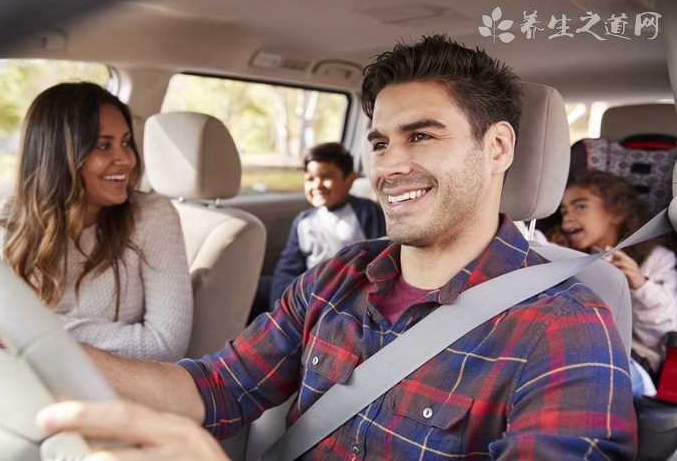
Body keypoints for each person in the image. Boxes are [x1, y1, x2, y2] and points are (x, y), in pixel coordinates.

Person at [37, 35, 636, 460]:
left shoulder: (565, 327)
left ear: (498, 148)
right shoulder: (338, 277)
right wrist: (38, 347)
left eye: (422, 136)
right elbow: (214, 388)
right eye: (378, 143)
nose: (391, 166)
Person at [0, 82, 193, 361]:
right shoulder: (4, 225)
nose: (126, 159)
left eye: (126, 142)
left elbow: (165, 345)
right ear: (57, 156)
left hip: (117, 395)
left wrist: (25, 329)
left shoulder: (151, 216)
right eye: (104, 146)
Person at [559, 170, 677, 378]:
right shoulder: (564, 257)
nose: (567, 218)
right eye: (563, 211)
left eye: (580, 206)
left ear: (616, 212)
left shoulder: (656, 259)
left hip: (634, 361)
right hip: (575, 349)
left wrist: (641, 285)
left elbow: (666, 331)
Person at [270, 142, 385, 305]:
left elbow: (379, 257)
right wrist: (280, 304)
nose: (317, 185)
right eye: (310, 179)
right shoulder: (303, 221)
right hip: (312, 294)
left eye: (327, 177)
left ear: (350, 180)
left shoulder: (366, 211)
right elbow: (287, 269)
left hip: (351, 293)